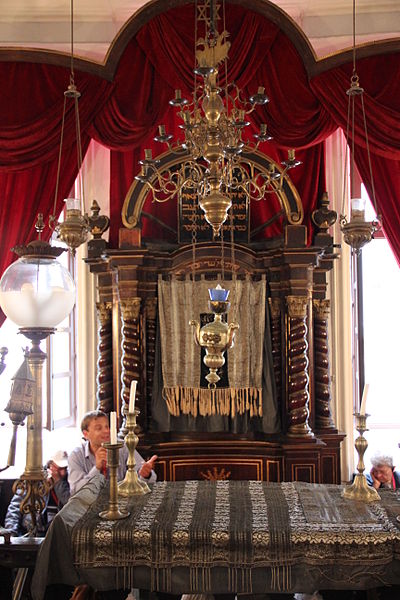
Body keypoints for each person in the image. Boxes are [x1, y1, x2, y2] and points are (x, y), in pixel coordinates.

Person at [68, 410, 157, 495]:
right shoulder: (76, 456)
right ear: (86, 434)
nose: (106, 431)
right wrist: (97, 468)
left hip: (122, 502)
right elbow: (76, 491)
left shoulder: (122, 446)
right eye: (99, 428)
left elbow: (148, 477)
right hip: (90, 506)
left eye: (107, 426)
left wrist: (146, 475)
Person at [4, 449, 70, 537]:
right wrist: (11, 532)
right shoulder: (33, 480)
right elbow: (15, 507)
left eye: (65, 469)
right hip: (30, 532)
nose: (63, 473)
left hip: (55, 535)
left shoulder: (69, 482)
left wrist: (58, 483)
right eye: (60, 468)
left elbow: (69, 503)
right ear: (50, 466)